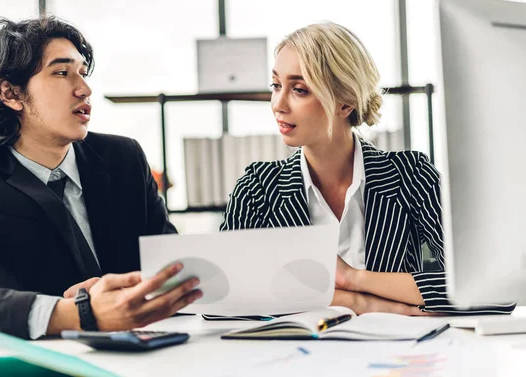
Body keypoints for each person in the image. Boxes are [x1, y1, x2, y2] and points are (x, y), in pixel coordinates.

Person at [0, 17, 202, 340]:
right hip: (41, 363)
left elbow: (172, 270)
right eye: (61, 72)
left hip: (154, 351)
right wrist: (72, 314)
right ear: (10, 93)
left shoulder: (124, 157)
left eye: (83, 73)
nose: (84, 89)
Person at [220, 21, 514, 315]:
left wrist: (353, 278)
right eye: (276, 86)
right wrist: (359, 302)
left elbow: (492, 292)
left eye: (299, 90)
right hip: (294, 356)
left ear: (345, 103)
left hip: (398, 356)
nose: (278, 104)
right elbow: (220, 299)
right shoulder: (258, 188)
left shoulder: (411, 176)